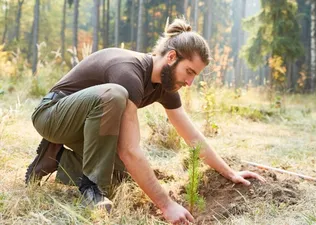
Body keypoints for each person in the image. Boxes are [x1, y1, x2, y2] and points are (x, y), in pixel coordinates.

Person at [26, 18, 265, 224]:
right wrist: (166, 205)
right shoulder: (129, 72)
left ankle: (54, 158)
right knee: (114, 95)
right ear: (171, 57)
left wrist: (230, 172)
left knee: (123, 177)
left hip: (85, 126)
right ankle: (92, 189)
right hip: (52, 115)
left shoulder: (166, 85)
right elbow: (129, 149)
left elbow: (191, 135)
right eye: (190, 72)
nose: (190, 82)